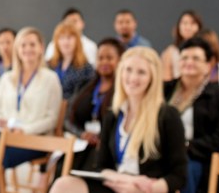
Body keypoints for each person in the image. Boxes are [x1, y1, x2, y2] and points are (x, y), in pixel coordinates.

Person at [50, 47, 188, 193]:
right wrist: (127, 181)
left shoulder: (168, 116)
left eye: (141, 72)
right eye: (128, 70)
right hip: (118, 184)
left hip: (148, 189)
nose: (133, 78)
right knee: (63, 185)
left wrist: (145, 187)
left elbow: (179, 176)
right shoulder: (113, 115)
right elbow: (101, 166)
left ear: (152, 78)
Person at [0, 27, 62, 185]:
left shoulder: (51, 78)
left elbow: (52, 119)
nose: (27, 49)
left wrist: (25, 130)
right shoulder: (6, 78)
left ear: (41, 48)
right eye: (23, 45)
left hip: (36, 139)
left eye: (32, 45)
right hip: (8, 136)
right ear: (17, 49)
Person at [164, 37, 219, 193]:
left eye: (196, 58)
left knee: (185, 169)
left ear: (207, 65)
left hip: (196, 156)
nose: (189, 62)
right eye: (184, 57)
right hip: (162, 152)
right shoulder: (164, 90)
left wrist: (185, 147)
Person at [62, 38, 124, 172]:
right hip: (81, 143)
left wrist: (102, 138)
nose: (104, 62)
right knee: (62, 168)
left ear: (120, 60)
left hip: (105, 148)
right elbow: (67, 119)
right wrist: (82, 134)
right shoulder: (85, 86)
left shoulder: (124, 91)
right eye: (100, 58)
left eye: (109, 58)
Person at [49, 22, 95, 99]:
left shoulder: (86, 68)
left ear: (77, 40)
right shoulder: (50, 65)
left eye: (69, 38)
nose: (66, 42)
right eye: (61, 38)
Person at [161, 10, 203, 81]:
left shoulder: (204, 50)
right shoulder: (171, 51)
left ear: (198, 27)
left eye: (192, 23)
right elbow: (166, 79)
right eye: (184, 23)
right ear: (178, 27)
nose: (188, 27)